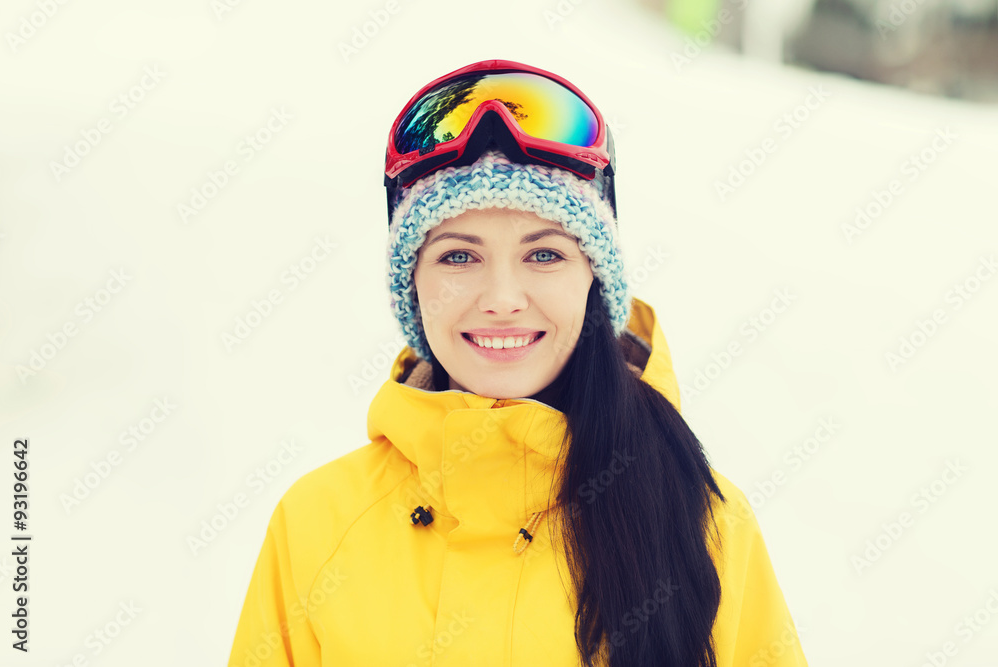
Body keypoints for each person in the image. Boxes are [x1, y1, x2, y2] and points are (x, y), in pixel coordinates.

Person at [228, 59, 808, 667]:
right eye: (458, 258)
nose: (503, 299)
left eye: (545, 255)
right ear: (413, 285)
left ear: (593, 279)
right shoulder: (318, 521)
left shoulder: (704, 522)